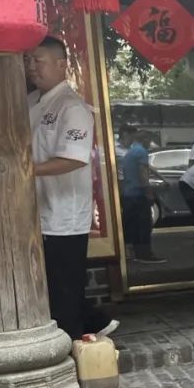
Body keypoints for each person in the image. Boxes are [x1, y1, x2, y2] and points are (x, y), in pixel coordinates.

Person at [27, 36, 115, 339]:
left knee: (64, 291)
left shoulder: (72, 107)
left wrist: (25, 172)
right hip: (38, 210)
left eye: (38, 60)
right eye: (28, 60)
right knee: (55, 285)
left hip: (64, 216)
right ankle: (96, 323)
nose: (31, 66)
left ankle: (73, 345)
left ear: (61, 64)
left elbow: (74, 158)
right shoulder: (31, 102)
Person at [119, 129, 166, 264]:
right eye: (150, 140)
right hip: (138, 194)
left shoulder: (130, 152)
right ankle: (145, 254)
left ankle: (134, 253)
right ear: (146, 140)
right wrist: (148, 191)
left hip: (128, 194)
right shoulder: (141, 152)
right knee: (144, 225)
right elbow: (143, 173)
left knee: (132, 225)